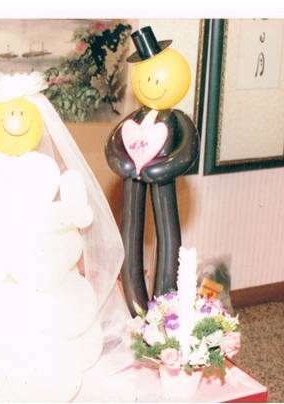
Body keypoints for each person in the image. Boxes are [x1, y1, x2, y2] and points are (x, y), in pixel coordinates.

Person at [105, 26, 200, 316]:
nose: (150, 82)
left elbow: (186, 152)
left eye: (155, 76)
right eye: (145, 76)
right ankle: (135, 304)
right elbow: (113, 146)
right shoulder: (133, 121)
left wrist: (159, 169)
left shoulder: (178, 120)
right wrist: (126, 165)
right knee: (130, 235)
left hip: (162, 181)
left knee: (168, 235)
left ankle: (163, 303)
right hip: (133, 180)